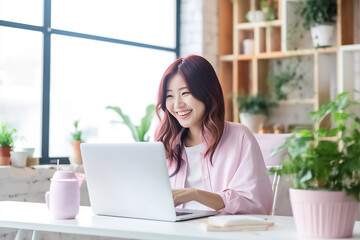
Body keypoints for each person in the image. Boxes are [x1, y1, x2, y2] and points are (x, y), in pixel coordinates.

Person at [155, 55, 272, 215]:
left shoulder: (240, 137)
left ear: (206, 92)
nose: (177, 105)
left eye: (185, 93)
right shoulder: (166, 145)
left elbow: (253, 203)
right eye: (169, 96)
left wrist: (194, 194)